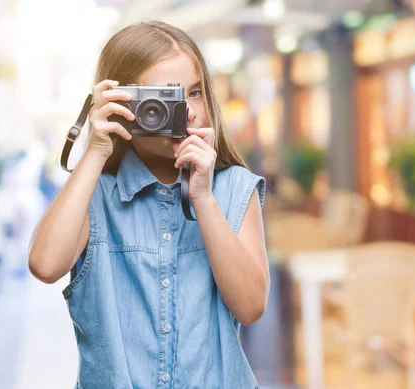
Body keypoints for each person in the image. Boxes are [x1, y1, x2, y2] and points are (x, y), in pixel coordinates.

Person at [27, 21, 269, 389]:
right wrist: (94, 149)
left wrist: (202, 197)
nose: (186, 111)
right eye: (165, 96)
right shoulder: (93, 193)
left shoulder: (234, 187)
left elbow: (251, 308)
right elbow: (44, 265)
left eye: (195, 92)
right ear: (122, 103)